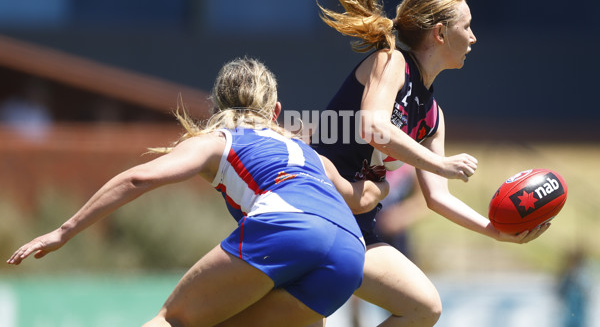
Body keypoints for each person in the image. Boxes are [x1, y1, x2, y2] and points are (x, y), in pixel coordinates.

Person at [7, 57, 389, 327]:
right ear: (275, 111)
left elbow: (138, 179)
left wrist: (64, 231)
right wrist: (389, 176)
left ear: (217, 106)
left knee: (172, 320)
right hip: (348, 250)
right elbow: (361, 199)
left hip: (288, 226)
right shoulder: (310, 154)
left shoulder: (218, 140)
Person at [312, 0, 550, 326]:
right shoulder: (391, 62)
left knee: (425, 308)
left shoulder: (434, 117)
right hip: (318, 204)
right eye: (467, 27)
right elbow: (372, 125)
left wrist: (497, 232)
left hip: (358, 222)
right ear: (439, 33)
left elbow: (438, 198)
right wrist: (439, 163)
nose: (473, 37)